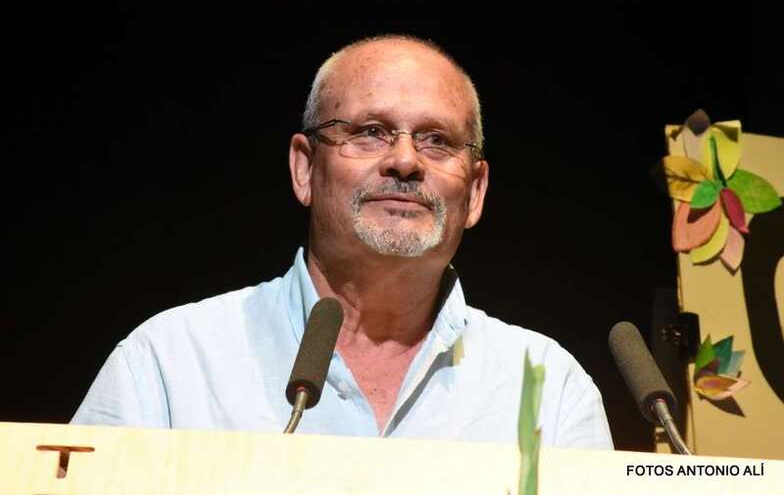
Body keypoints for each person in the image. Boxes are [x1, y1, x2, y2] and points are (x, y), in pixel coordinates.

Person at [71, 35, 613, 448]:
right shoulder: (171, 364)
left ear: (474, 192)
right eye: (370, 132)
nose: (405, 160)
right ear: (304, 169)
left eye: (437, 140)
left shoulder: (547, 388)